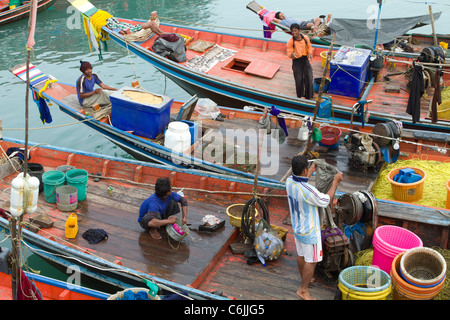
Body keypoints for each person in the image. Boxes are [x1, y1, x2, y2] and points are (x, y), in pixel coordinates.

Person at [285, 155, 343, 300]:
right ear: (304, 170)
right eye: (307, 169)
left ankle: (305, 278)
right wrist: (335, 181)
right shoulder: (309, 191)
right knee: (312, 260)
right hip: (310, 231)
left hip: (297, 227)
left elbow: (301, 180)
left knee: (301, 255)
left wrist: (309, 171)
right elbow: (327, 200)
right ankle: (303, 290)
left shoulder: (289, 181)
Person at [286, 23, 314, 100]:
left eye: (295, 31)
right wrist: (292, 54)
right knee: (299, 78)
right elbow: (289, 53)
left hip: (305, 59)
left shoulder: (305, 38)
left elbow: (309, 47)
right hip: (296, 61)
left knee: (309, 77)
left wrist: (310, 53)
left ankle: (309, 94)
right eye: (292, 31)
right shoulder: (290, 42)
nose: (294, 33)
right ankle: (300, 95)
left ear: (299, 30)